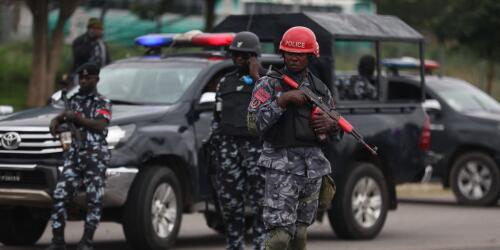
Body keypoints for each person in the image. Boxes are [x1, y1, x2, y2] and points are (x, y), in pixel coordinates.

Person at [247, 26, 341, 250]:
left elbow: (335, 133)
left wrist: (331, 124)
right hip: (282, 169)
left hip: (312, 169)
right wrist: (282, 100)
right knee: (279, 237)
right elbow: (253, 125)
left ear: (310, 55)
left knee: (299, 235)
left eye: (300, 54)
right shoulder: (269, 84)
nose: (295, 58)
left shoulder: (320, 89)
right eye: (290, 53)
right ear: (283, 54)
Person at [209, 31, 267, 250]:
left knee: (262, 203)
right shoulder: (225, 82)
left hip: (257, 149)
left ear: (254, 56)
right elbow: (217, 115)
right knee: (230, 204)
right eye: (235, 55)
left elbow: (273, 105)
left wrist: (256, 77)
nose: (238, 59)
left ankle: (262, 245)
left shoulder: (267, 80)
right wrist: (217, 143)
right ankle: (235, 244)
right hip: (229, 150)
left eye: (244, 56)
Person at [47, 63, 112, 250]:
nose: (83, 81)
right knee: (59, 195)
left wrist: (76, 118)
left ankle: (86, 241)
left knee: (94, 199)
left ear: (96, 79)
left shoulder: (103, 102)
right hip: (74, 157)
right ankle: (57, 241)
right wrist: (56, 121)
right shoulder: (73, 99)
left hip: (94, 156)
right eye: (81, 78)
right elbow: (64, 116)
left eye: (88, 78)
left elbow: (100, 125)